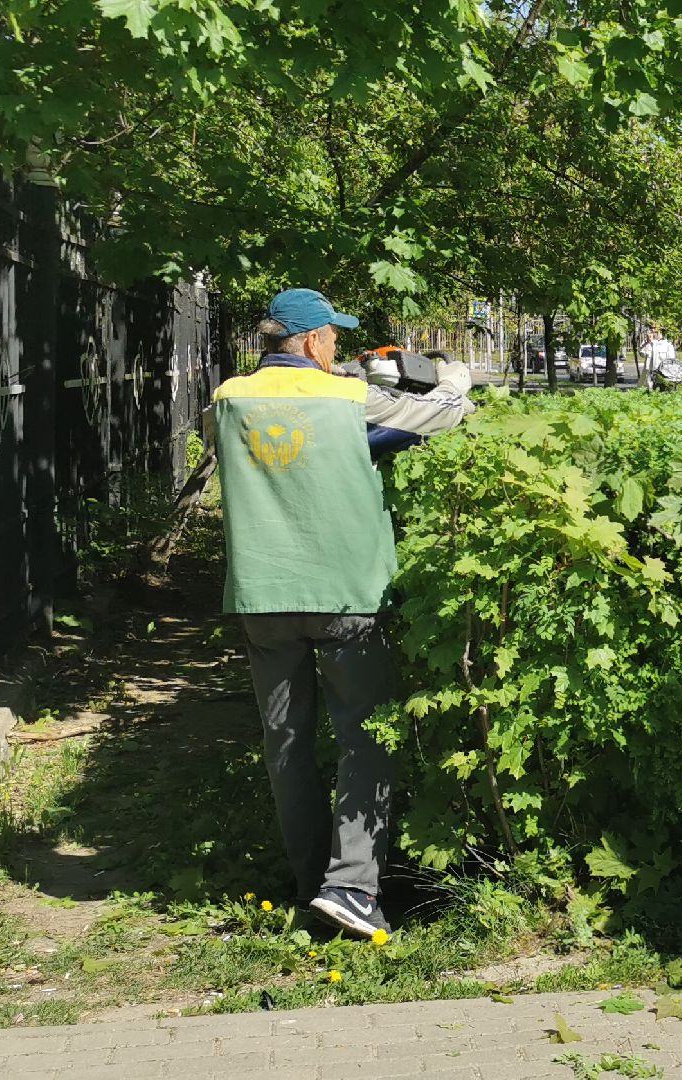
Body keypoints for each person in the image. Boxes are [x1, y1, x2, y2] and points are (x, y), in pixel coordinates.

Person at [202, 288, 475, 939]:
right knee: (362, 740)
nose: (333, 348)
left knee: (287, 744)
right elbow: (439, 417)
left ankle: (308, 885)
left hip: (262, 596)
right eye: (330, 338)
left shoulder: (227, 398)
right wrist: (456, 383)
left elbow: (290, 448)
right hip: (346, 592)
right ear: (309, 341)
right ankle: (350, 888)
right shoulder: (349, 399)